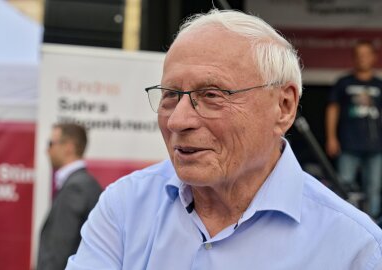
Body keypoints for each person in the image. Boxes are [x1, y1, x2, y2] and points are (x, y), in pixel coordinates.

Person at [66, 10, 382, 269]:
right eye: (170, 95)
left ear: (283, 107)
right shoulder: (125, 206)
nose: (178, 120)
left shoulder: (354, 247)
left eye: (212, 95)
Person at [325, 40, 382, 218]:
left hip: (375, 146)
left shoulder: (379, 84)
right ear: (353, 58)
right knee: (343, 186)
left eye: (366, 55)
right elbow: (332, 109)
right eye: (358, 55)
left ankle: (373, 227)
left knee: (373, 187)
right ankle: (344, 221)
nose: (362, 59)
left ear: (373, 57)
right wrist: (331, 137)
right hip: (348, 143)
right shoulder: (344, 82)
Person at [37, 123, 102, 270]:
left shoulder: (76, 187)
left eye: (51, 143)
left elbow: (58, 253)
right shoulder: (82, 183)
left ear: (69, 147)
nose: (47, 150)